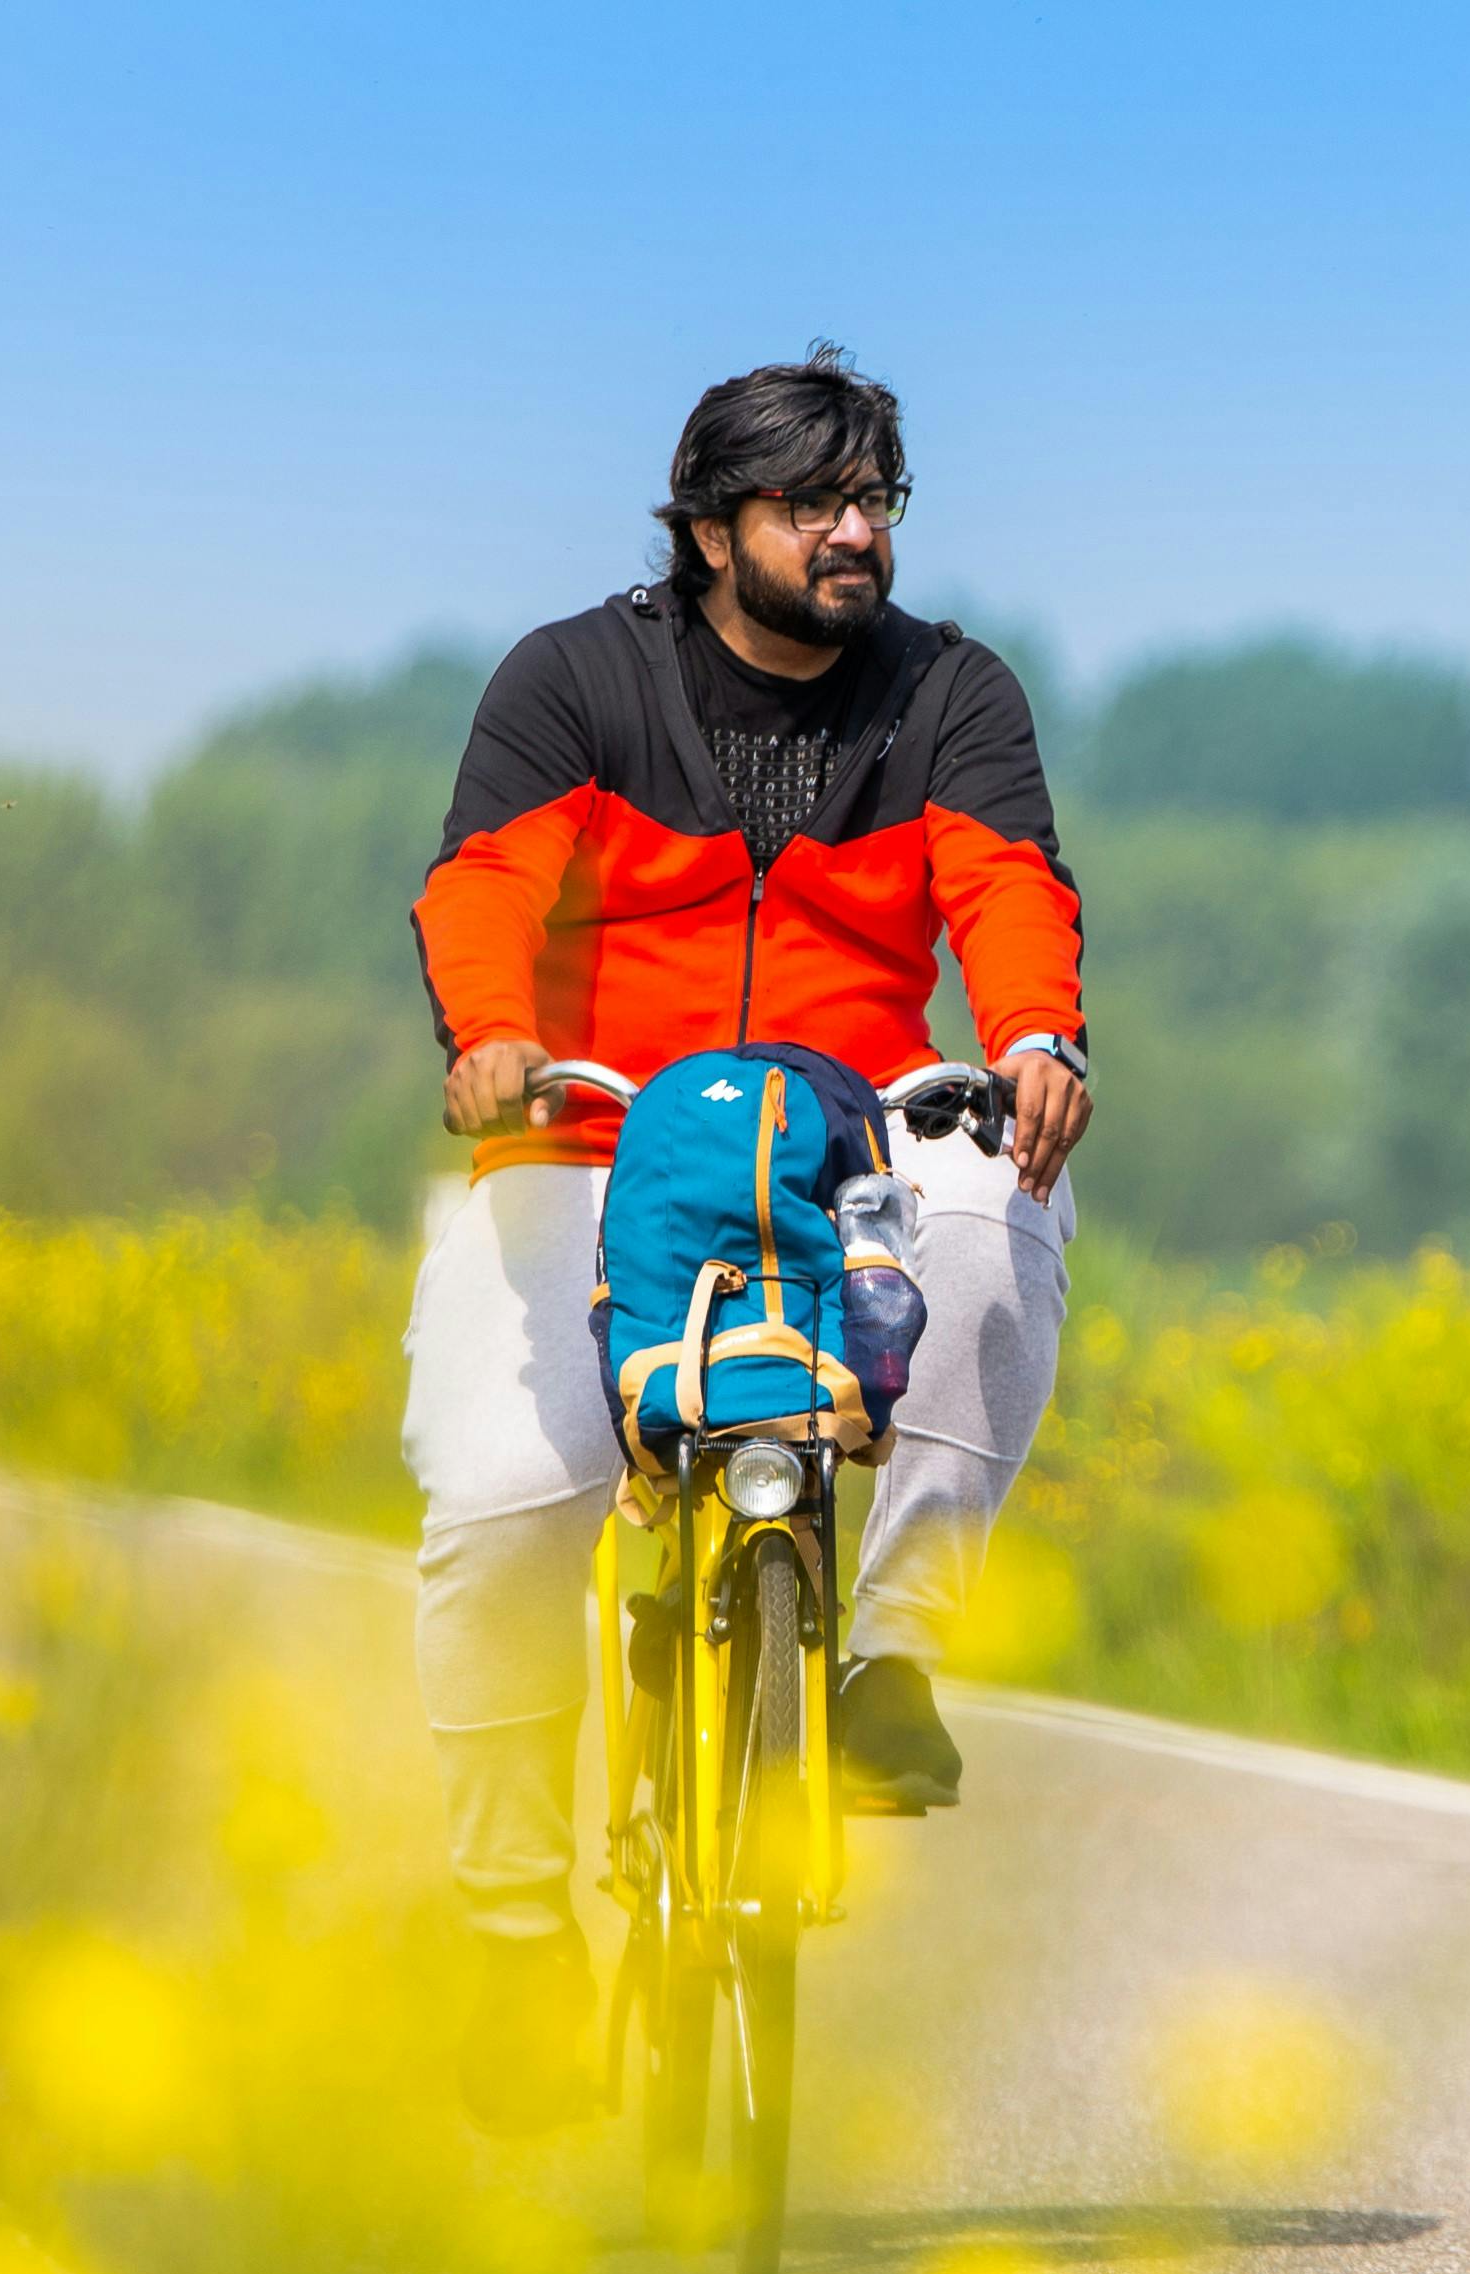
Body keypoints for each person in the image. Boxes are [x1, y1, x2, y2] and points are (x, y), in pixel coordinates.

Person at [406, 346, 1093, 2132]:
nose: (858, 534)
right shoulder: (577, 680)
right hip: (593, 1128)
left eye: (878, 503)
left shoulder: (948, 692)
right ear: (716, 529)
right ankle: (499, 1930)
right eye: (816, 505)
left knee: (1005, 1197)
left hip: (844, 1135)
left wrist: (1031, 1034)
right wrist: (485, 1034)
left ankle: (894, 1666)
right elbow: (480, 880)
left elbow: (1009, 883)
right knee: (496, 1507)